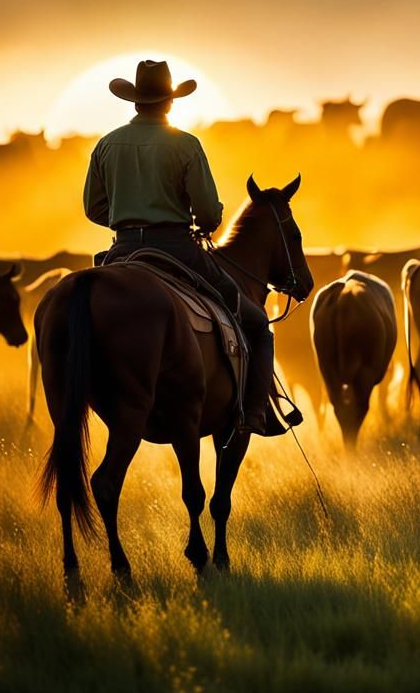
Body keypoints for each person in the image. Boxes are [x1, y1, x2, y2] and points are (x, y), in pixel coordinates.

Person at [82, 58, 279, 435]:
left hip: (122, 251)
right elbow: (207, 213)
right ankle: (255, 413)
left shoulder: (106, 145)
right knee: (255, 322)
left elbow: (94, 207)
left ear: (135, 101)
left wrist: (128, 218)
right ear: (170, 102)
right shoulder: (186, 145)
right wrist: (202, 221)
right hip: (177, 248)